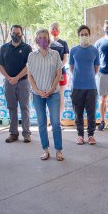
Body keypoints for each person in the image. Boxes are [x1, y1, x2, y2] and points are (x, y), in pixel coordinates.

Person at [27, 29, 64, 161]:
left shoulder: (55, 54)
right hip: (37, 95)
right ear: (36, 40)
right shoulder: (31, 56)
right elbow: (29, 75)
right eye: (40, 37)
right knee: (41, 123)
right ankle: (45, 149)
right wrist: (37, 90)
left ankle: (59, 150)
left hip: (53, 93)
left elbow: (59, 73)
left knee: (55, 122)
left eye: (45, 37)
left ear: (48, 39)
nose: (43, 39)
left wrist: (52, 88)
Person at [0, 25, 33, 144]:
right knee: (11, 108)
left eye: (18, 33)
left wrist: (16, 78)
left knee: (25, 108)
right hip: (8, 83)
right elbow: (0, 65)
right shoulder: (4, 48)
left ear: (22, 34)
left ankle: (26, 134)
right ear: (10, 33)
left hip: (23, 82)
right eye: (14, 33)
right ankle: (13, 133)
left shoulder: (27, 48)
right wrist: (8, 78)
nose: (16, 35)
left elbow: (29, 66)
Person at [69, 25, 100, 145]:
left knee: (91, 113)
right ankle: (80, 136)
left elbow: (96, 68)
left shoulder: (94, 50)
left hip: (91, 87)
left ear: (89, 35)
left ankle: (91, 135)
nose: (84, 36)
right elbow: (72, 67)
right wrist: (79, 76)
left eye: (86, 34)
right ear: (78, 36)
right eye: (82, 34)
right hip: (77, 87)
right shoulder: (74, 50)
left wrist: (88, 76)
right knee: (78, 113)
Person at [49, 22, 70, 122]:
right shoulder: (47, 43)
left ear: (59, 30)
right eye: (53, 28)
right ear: (50, 30)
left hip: (61, 73)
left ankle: (59, 120)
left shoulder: (63, 43)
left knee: (60, 96)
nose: (54, 30)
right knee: (50, 95)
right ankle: (52, 120)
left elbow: (65, 59)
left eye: (56, 28)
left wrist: (58, 68)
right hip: (49, 74)